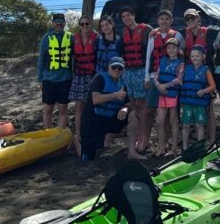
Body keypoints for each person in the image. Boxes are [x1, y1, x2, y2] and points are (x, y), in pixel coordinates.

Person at [80, 57, 145, 161]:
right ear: (109, 67)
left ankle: (132, 152)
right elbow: (96, 99)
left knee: (133, 115)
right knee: (87, 157)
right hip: (94, 120)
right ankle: (76, 141)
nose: (116, 70)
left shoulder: (122, 84)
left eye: (120, 68)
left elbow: (128, 103)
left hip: (110, 119)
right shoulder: (99, 79)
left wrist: (125, 109)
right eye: (114, 67)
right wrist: (115, 95)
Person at [145, 9, 184, 149]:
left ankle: (167, 142)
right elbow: (149, 56)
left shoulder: (177, 35)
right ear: (158, 21)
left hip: (171, 82)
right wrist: (147, 78)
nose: (164, 21)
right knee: (150, 109)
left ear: (171, 21)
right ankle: (147, 140)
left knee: (171, 116)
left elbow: (181, 54)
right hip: (155, 77)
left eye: (167, 19)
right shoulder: (153, 35)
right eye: (161, 19)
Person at [180, 8, 219, 142]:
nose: (190, 21)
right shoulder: (182, 34)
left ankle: (212, 140)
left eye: (193, 18)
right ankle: (196, 138)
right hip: (190, 77)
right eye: (187, 19)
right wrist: (154, 31)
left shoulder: (211, 33)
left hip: (207, 75)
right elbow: (168, 35)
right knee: (192, 106)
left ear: (198, 18)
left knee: (209, 108)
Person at [119, 6, 152, 152]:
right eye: (123, 16)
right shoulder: (124, 32)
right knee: (132, 104)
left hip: (141, 70)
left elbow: (151, 52)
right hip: (128, 72)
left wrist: (148, 75)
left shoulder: (146, 30)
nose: (126, 18)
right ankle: (136, 135)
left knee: (143, 105)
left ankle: (144, 138)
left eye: (128, 15)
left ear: (133, 15)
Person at [36, 13, 73, 130]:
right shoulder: (46, 38)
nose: (59, 23)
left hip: (66, 79)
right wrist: (40, 79)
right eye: (56, 21)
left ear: (64, 23)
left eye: (61, 21)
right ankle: (48, 132)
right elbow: (41, 60)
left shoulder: (70, 37)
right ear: (53, 23)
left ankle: (60, 133)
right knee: (48, 109)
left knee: (63, 109)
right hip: (49, 79)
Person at [69, 16, 99, 157]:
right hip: (78, 76)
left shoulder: (97, 37)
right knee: (79, 106)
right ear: (79, 25)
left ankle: (91, 131)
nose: (85, 26)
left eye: (87, 24)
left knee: (91, 105)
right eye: (82, 24)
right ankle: (78, 133)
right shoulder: (73, 38)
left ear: (90, 24)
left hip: (91, 76)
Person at [179, 45, 216, 149]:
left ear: (203, 57)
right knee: (186, 125)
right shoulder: (186, 68)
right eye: (192, 56)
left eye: (197, 56)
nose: (195, 58)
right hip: (188, 102)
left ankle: (199, 147)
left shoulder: (206, 70)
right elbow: (179, 80)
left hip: (199, 103)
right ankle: (185, 148)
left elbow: (213, 86)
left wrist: (204, 91)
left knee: (199, 125)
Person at [153, 37, 184, 156]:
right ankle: (161, 147)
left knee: (173, 120)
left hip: (172, 94)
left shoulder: (180, 63)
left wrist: (165, 86)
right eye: (169, 47)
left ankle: (174, 148)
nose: (171, 50)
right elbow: (156, 75)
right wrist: (159, 85)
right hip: (162, 93)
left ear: (178, 49)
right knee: (160, 121)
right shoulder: (163, 60)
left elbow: (179, 78)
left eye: (174, 47)